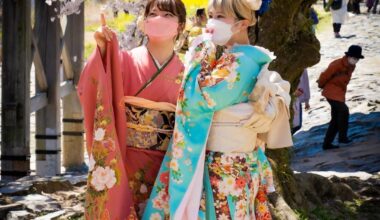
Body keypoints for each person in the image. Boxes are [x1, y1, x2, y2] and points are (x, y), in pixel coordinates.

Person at [143, 0, 293, 219]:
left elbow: (200, 98)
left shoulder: (243, 62)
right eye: (211, 15)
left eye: (220, 17)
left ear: (244, 23)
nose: (212, 22)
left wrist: (201, 50)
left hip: (227, 166)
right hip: (228, 163)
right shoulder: (235, 57)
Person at [77, 0, 186, 218]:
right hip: (124, 160)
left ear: (181, 26)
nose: (159, 19)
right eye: (153, 14)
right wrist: (101, 49)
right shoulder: (124, 60)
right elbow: (92, 85)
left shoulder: (187, 72)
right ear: (143, 23)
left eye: (167, 15)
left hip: (166, 164)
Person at [317, 45, 364, 150]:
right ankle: (342, 137)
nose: (355, 60)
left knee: (335, 119)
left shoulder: (351, 66)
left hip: (339, 93)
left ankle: (327, 144)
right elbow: (325, 75)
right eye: (354, 58)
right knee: (344, 111)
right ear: (348, 56)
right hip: (331, 92)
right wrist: (320, 85)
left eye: (357, 59)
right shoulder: (337, 64)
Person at [292, 69, 311, 134]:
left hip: (297, 99)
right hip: (287, 98)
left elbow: (305, 83)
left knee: (297, 125)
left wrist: (306, 100)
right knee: (294, 125)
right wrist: (292, 91)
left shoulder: (302, 66)